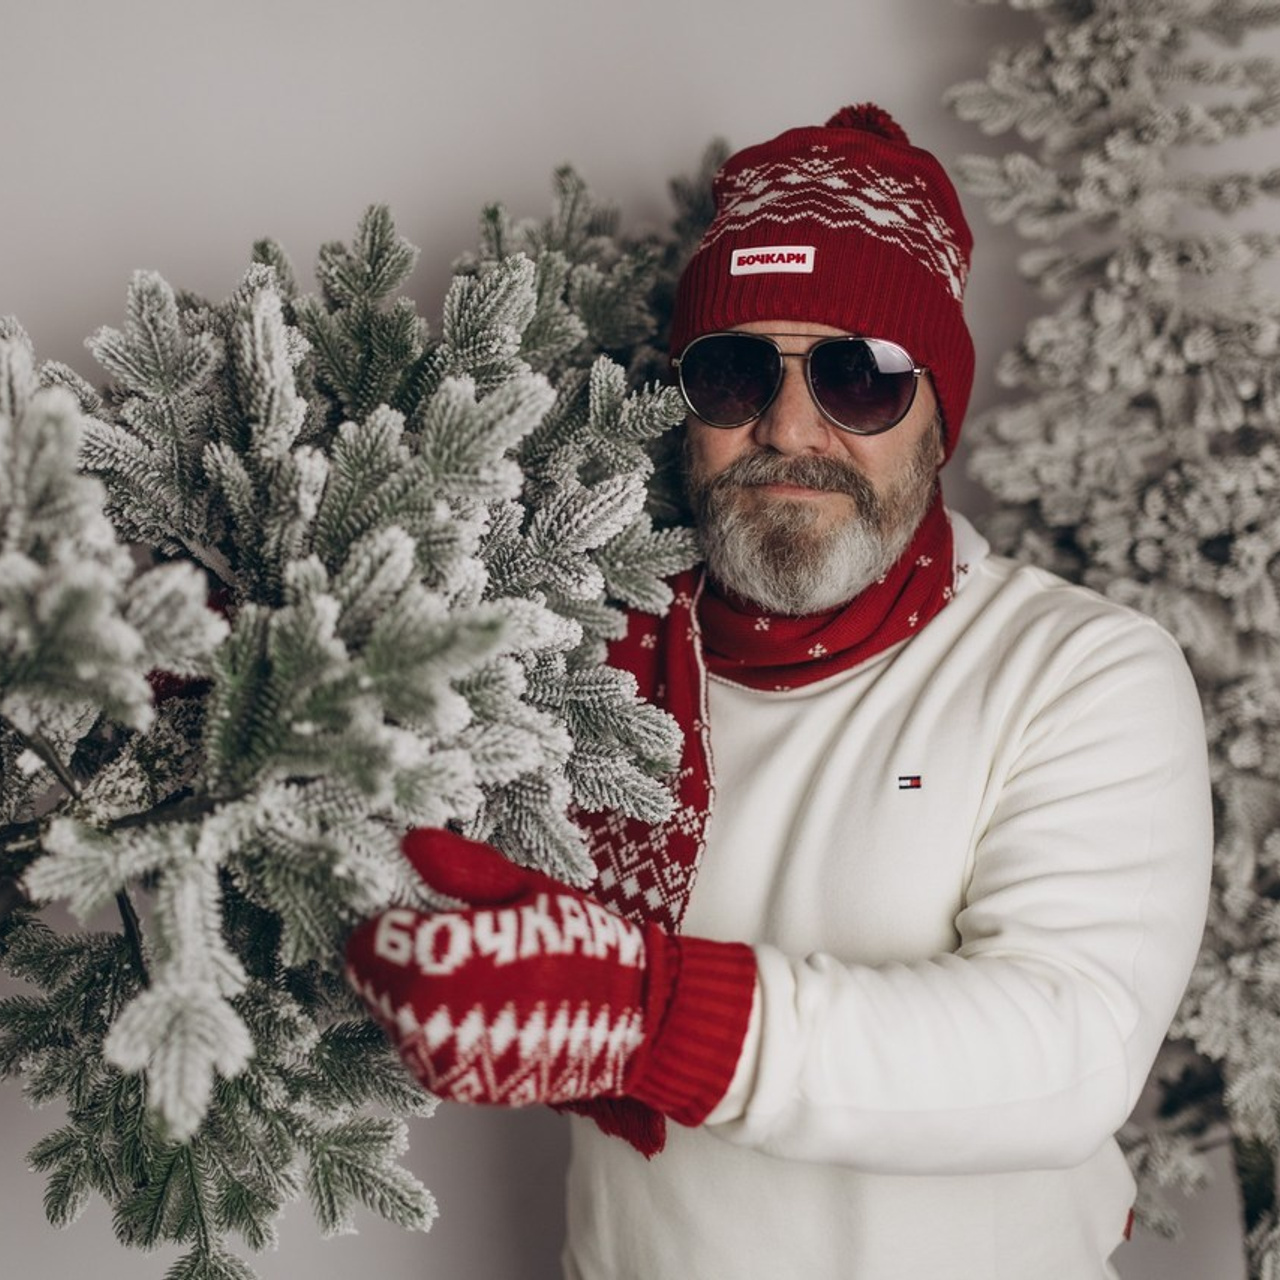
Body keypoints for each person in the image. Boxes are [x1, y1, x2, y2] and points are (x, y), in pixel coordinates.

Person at [345, 103, 1213, 1279]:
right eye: (737, 369)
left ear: (937, 419)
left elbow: (1064, 1047)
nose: (788, 425)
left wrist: (649, 1014)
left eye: (859, 377)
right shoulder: (578, 662)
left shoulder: (1075, 669)